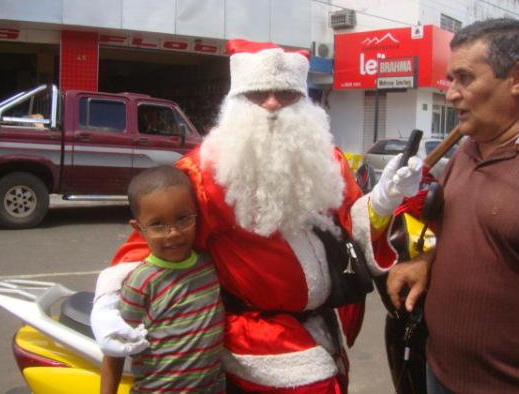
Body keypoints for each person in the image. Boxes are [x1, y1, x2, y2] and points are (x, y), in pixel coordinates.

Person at [92, 39, 422, 393]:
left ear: (304, 99)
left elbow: (346, 227)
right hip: (256, 334)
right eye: (257, 93)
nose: (271, 103)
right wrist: (108, 303)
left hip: (319, 326)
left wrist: (384, 200)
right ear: (236, 100)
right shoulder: (204, 172)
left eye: (285, 93)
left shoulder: (327, 160)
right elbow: (154, 239)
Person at [387, 18, 519, 394]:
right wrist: (422, 260)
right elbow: (441, 226)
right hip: (439, 373)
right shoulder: (465, 153)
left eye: (464, 78)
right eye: (450, 80)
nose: (451, 94)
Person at [98, 165, 225, 394]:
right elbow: (115, 348)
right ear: (139, 228)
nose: (173, 233)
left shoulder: (210, 265)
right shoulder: (141, 282)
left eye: (183, 219)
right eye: (157, 224)